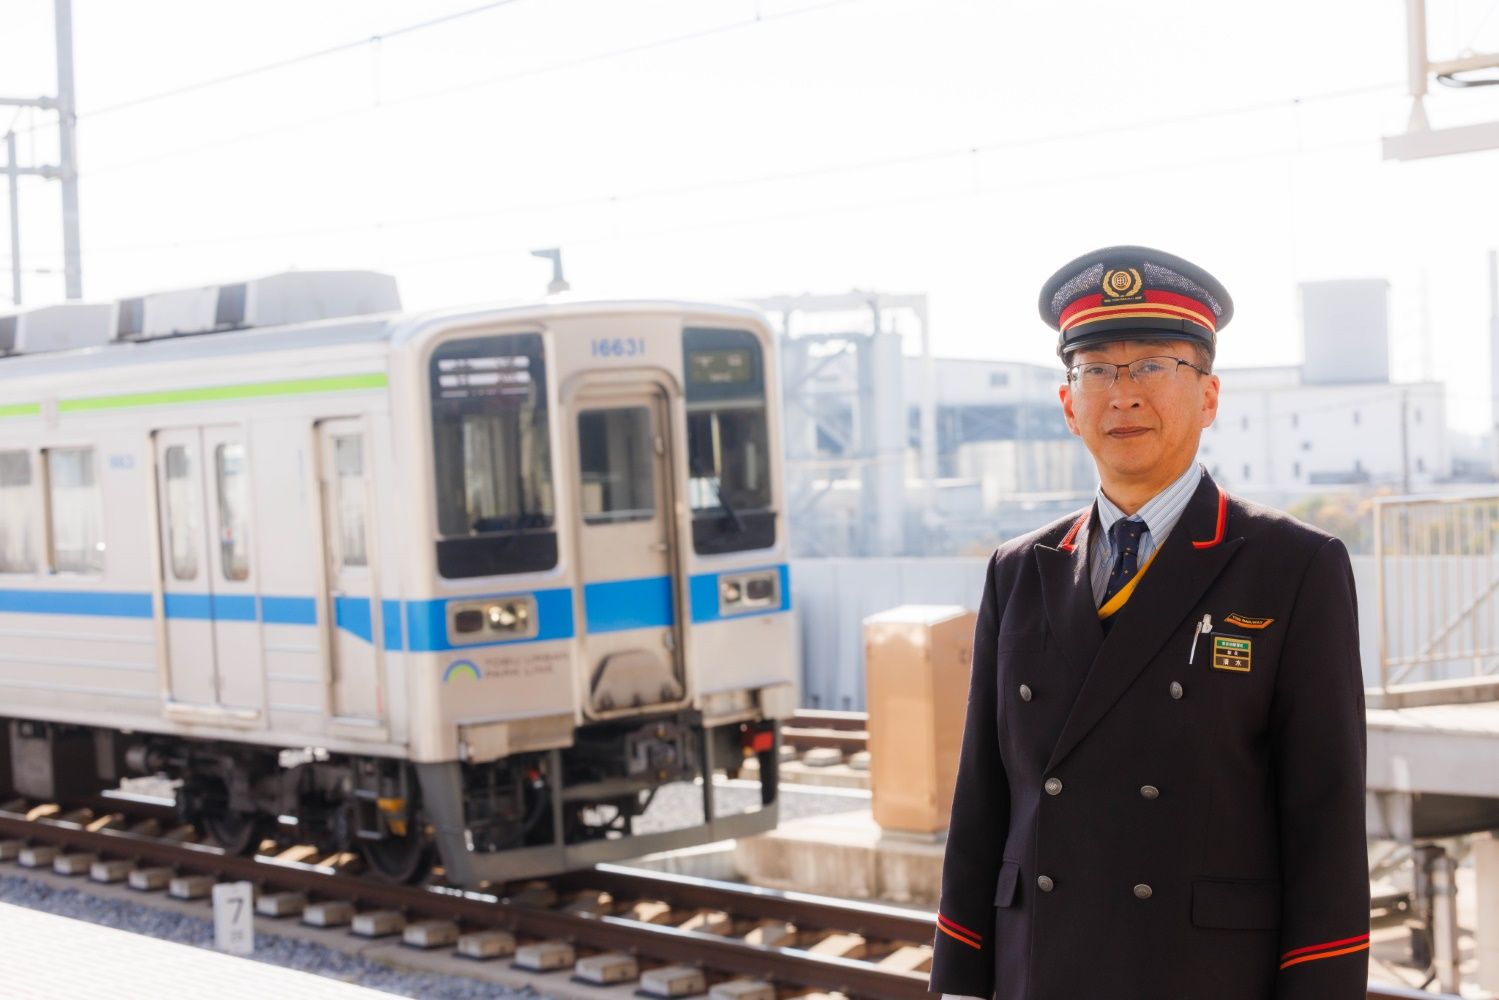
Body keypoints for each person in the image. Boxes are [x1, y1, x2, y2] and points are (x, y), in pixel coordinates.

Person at [927, 246, 1369, 1000]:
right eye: (1095, 369)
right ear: (1068, 405)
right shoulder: (1018, 568)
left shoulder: (1291, 566)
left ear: (1208, 397)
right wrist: (960, 983)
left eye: (1154, 367)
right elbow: (982, 806)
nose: (1122, 395)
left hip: (1202, 976)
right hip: (1038, 971)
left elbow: (1324, 819)